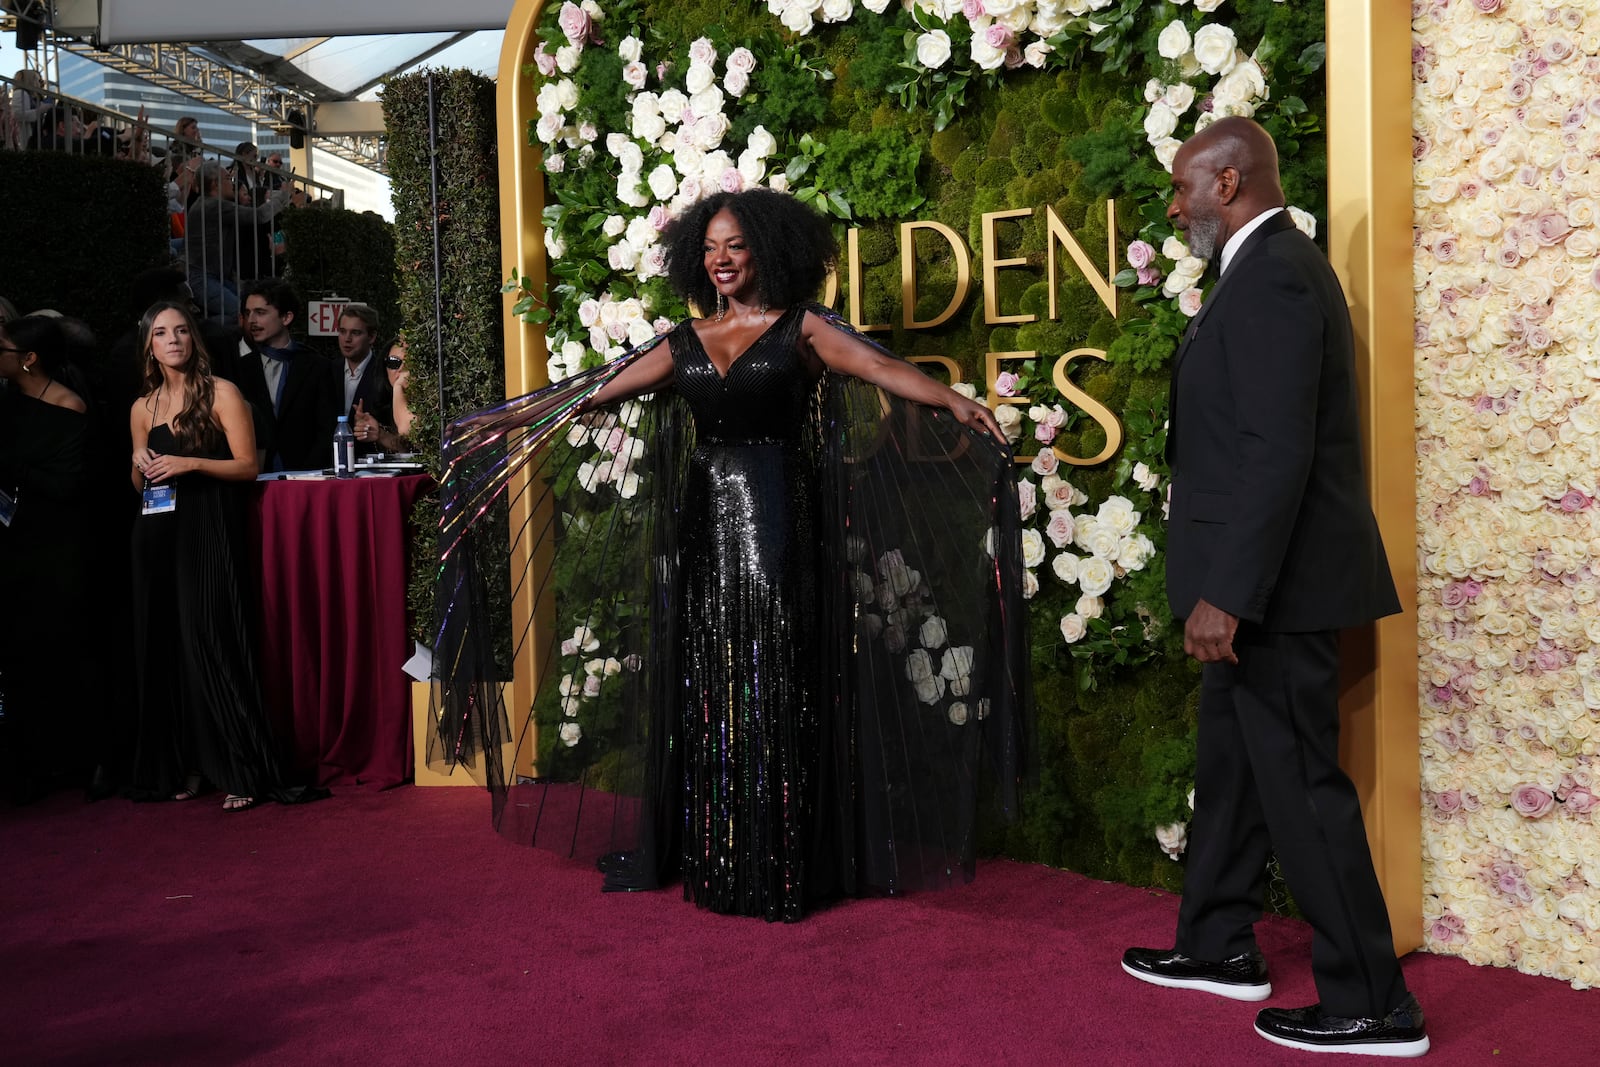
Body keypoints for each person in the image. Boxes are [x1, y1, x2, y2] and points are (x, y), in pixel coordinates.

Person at [433, 188, 1029, 922]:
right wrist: (503, 421)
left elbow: (880, 369)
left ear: (767, 252)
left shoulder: (803, 328)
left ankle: (778, 857)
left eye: (735, 246)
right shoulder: (681, 341)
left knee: (776, 669)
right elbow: (586, 394)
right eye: (710, 247)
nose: (721, 260)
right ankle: (720, 851)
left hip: (780, 516)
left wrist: (952, 400)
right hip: (707, 525)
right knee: (715, 673)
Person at [1119, 118, 1427, 1057]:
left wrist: (1231, 592)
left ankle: (1375, 1003)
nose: (1171, 207)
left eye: (1181, 189)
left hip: (1277, 590)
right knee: (1237, 767)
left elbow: (1278, 452)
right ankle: (1216, 943)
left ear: (1228, 183)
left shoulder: (1278, 275)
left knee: (1300, 787)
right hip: (1260, 583)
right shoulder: (1262, 272)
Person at [125, 301, 324, 811]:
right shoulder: (141, 407)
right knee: (164, 648)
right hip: (154, 536)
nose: (173, 340)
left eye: (182, 331)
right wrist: (137, 459)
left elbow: (246, 468)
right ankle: (187, 765)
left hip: (208, 532)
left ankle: (241, 765)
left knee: (213, 641)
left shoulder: (223, 393)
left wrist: (189, 461)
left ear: (194, 338)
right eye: (162, 333)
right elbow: (138, 484)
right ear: (149, 345)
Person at [0, 315, 90, 802]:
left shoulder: (69, 407)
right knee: (13, 656)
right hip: (10, 549)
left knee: (51, 654)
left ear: (28, 359)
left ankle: (60, 761)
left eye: (4, 348)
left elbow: (70, 487)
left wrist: (16, 472)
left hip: (53, 552)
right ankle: (21, 761)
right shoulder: (6, 402)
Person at [216, 278, 334, 472]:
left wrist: (307, 475)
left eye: (260, 312)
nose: (252, 320)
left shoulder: (318, 366)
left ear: (286, 317)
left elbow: (327, 430)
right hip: (255, 478)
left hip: (308, 477)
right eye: (248, 313)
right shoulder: (239, 369)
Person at [328, 304, 392, 454]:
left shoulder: (384, 373)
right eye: (342, 332)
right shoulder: (327, 371)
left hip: (373, 462)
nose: (347, 339)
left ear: (371, 337)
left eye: (355, 333)